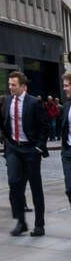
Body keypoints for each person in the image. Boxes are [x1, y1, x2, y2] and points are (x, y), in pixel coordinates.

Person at [0, 70, 49, 237]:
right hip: (14, 148)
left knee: (35, 187)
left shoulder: (34, 102)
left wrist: (39, 148)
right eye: (9, 84)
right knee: (14, 183)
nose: (10, 87)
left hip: (30, 149)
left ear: (23, 86)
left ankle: (39, 225)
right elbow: (4, 123)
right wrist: (7, 146)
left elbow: (44, 127)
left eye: (14, 85)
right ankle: (21, 222)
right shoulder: (7, 101)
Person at [59, 73, 71, 210]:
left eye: (66, 86)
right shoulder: (67, 106)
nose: (64, 89)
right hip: (68, 153)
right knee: (69, 190)